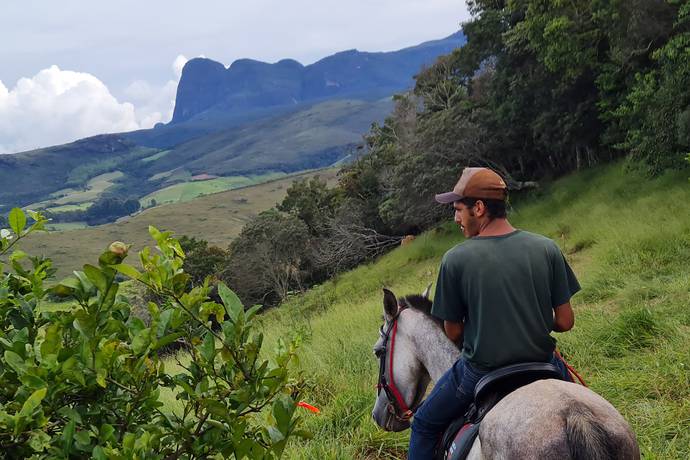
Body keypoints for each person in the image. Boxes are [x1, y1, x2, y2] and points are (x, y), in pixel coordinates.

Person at [408, 167, 581, 459]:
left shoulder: (455, 259)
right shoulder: (546, 248)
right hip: (544, 361)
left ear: (479, 208)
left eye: (458, 209)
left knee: (423, 424)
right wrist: (529, 317)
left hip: (480, 371)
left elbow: (453, 332)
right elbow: (565, 321)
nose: (456, 218)